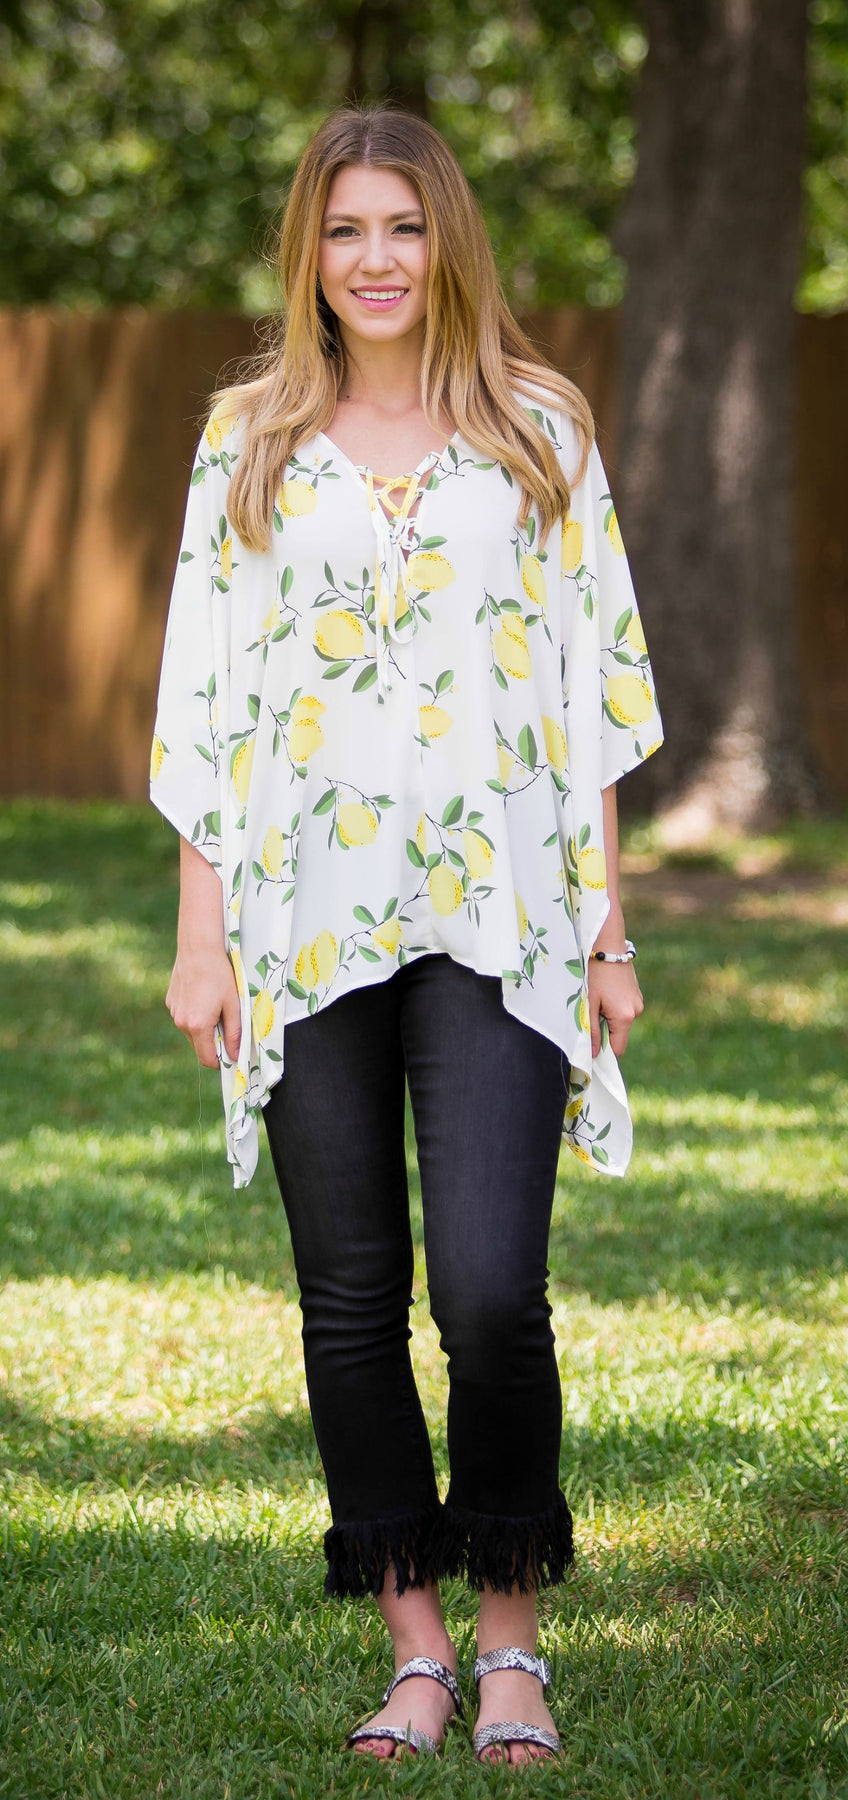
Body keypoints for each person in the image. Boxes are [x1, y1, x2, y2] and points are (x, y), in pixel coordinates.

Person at [150, 104, 662, 1765]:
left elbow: (591, 700)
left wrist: (607, 937)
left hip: (502, 916)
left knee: (495, 1290)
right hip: (302, 920)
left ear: (450, 242)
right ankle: (424, 1653)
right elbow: (203, 704)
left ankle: (516, 1637)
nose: (376, 260)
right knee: (352, 1295)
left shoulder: (539, 432)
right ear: (308, 251)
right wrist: (202, 938)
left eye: (406, 227)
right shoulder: (247, 443)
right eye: (346, 229)